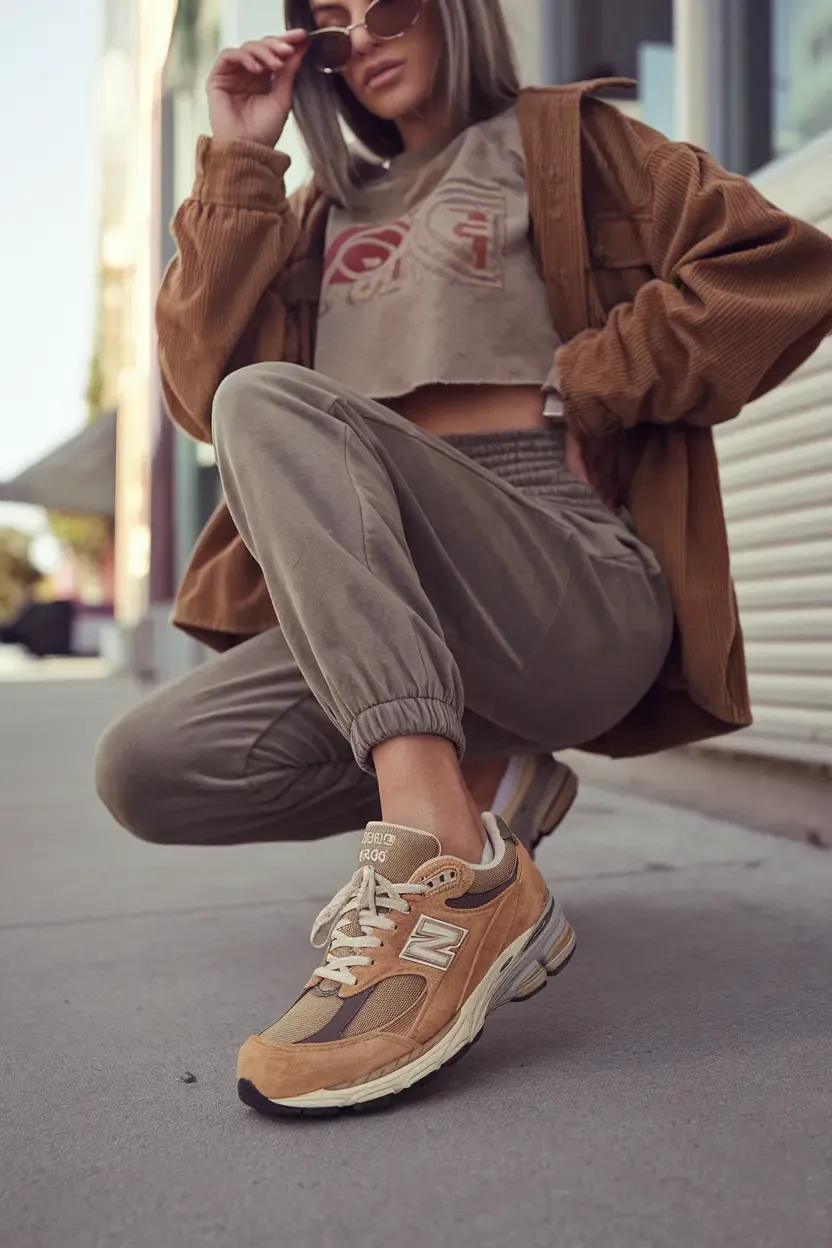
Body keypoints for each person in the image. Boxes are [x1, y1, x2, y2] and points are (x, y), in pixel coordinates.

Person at [95, 0, 832, 1116]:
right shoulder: (309, 219)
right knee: (151, 765)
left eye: (391, 11)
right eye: (331, 25)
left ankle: (445, 863)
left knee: (275, 402)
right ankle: (480, 779)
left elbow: (778, 266)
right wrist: (243, 158)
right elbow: (205, 397)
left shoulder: (558, 142)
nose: (365, 40)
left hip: (557, 560)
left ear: (455, 18)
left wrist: (587, 385)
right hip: (378, 585)